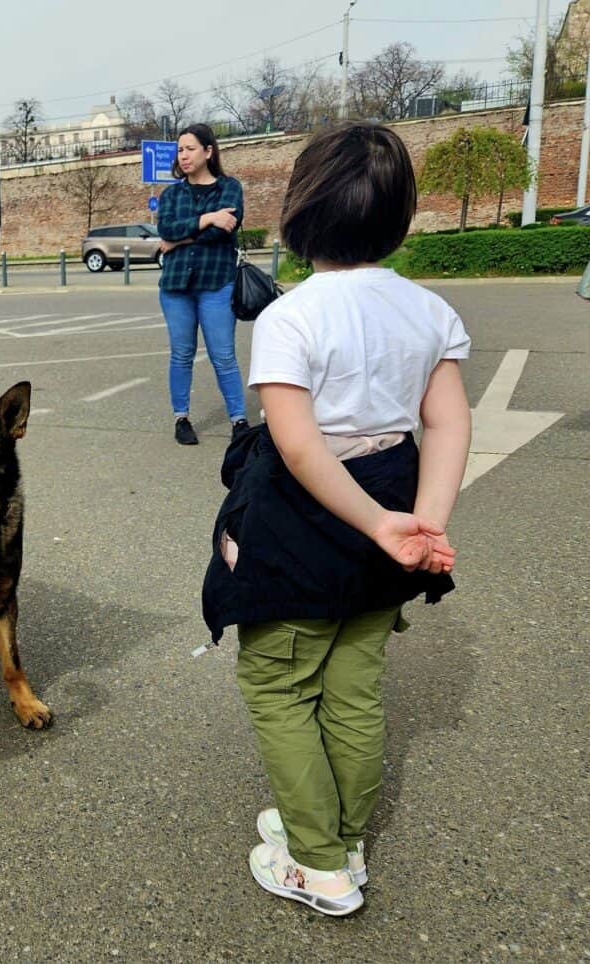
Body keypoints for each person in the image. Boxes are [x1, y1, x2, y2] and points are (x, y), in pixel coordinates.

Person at [201, 123, 472, 917]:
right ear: (401, 216)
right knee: (355, 686)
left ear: (302, 210)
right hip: (393, 489)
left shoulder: (292, 316)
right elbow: (450, 424)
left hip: (307, 516)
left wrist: (373, 521)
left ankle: (316, 864)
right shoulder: (428, 309)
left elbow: (297, 446)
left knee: (281, 681)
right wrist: (418, 520)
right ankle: (342, 834)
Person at [156, 123, 248, 446]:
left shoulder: (230, 188)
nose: (183, 155)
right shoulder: (171, 195)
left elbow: (224, 231)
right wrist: (208, 218)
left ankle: (239, 420)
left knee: (223, 355)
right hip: (176, 288)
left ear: (208, 151)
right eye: (180, 150)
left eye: (190, 148)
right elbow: (166, 227)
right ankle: (181, 417)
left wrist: (177, 241)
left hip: (216, 283)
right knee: (181, 353)